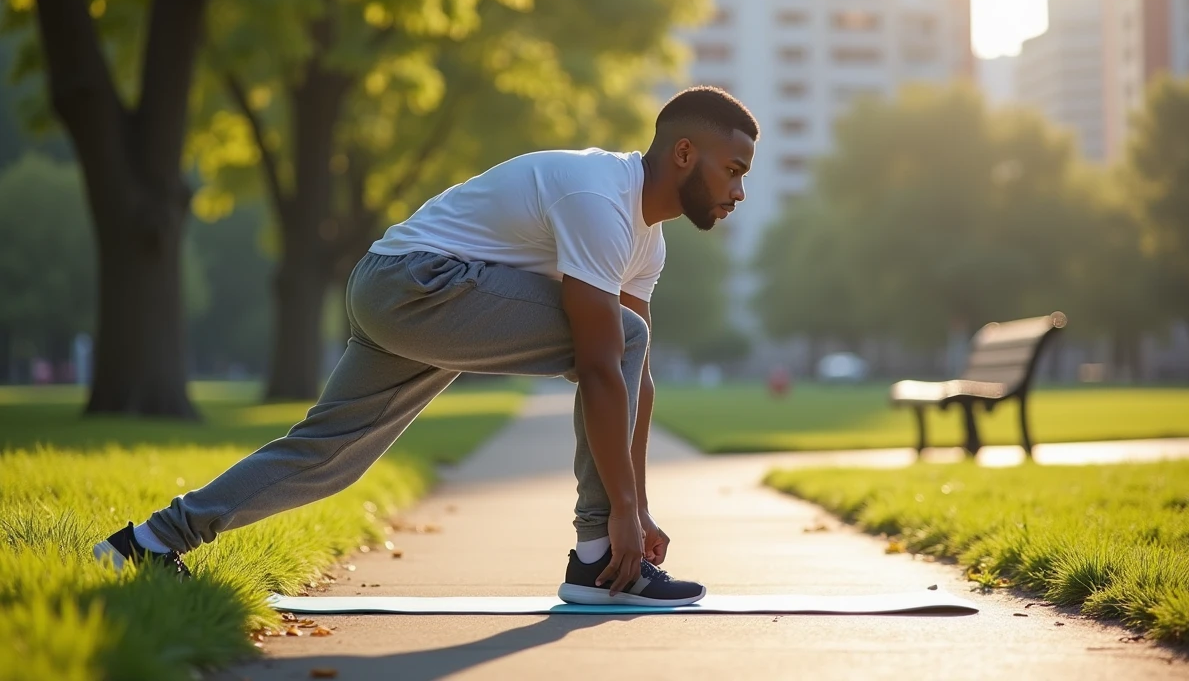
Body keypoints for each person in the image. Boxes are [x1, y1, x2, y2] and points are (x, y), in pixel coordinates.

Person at [94, 86, 758, 607]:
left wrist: (639, 508)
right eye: (732, 170)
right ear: (683, 154)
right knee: (620, 338)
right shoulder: (600, 200)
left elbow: (631, 379)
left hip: (403, 289)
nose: (738, 191)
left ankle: (144, 544)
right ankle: (594, 561)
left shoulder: (648, 239)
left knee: (327, 456)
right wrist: (616, 516)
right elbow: (600, 363)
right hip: (421, 284)